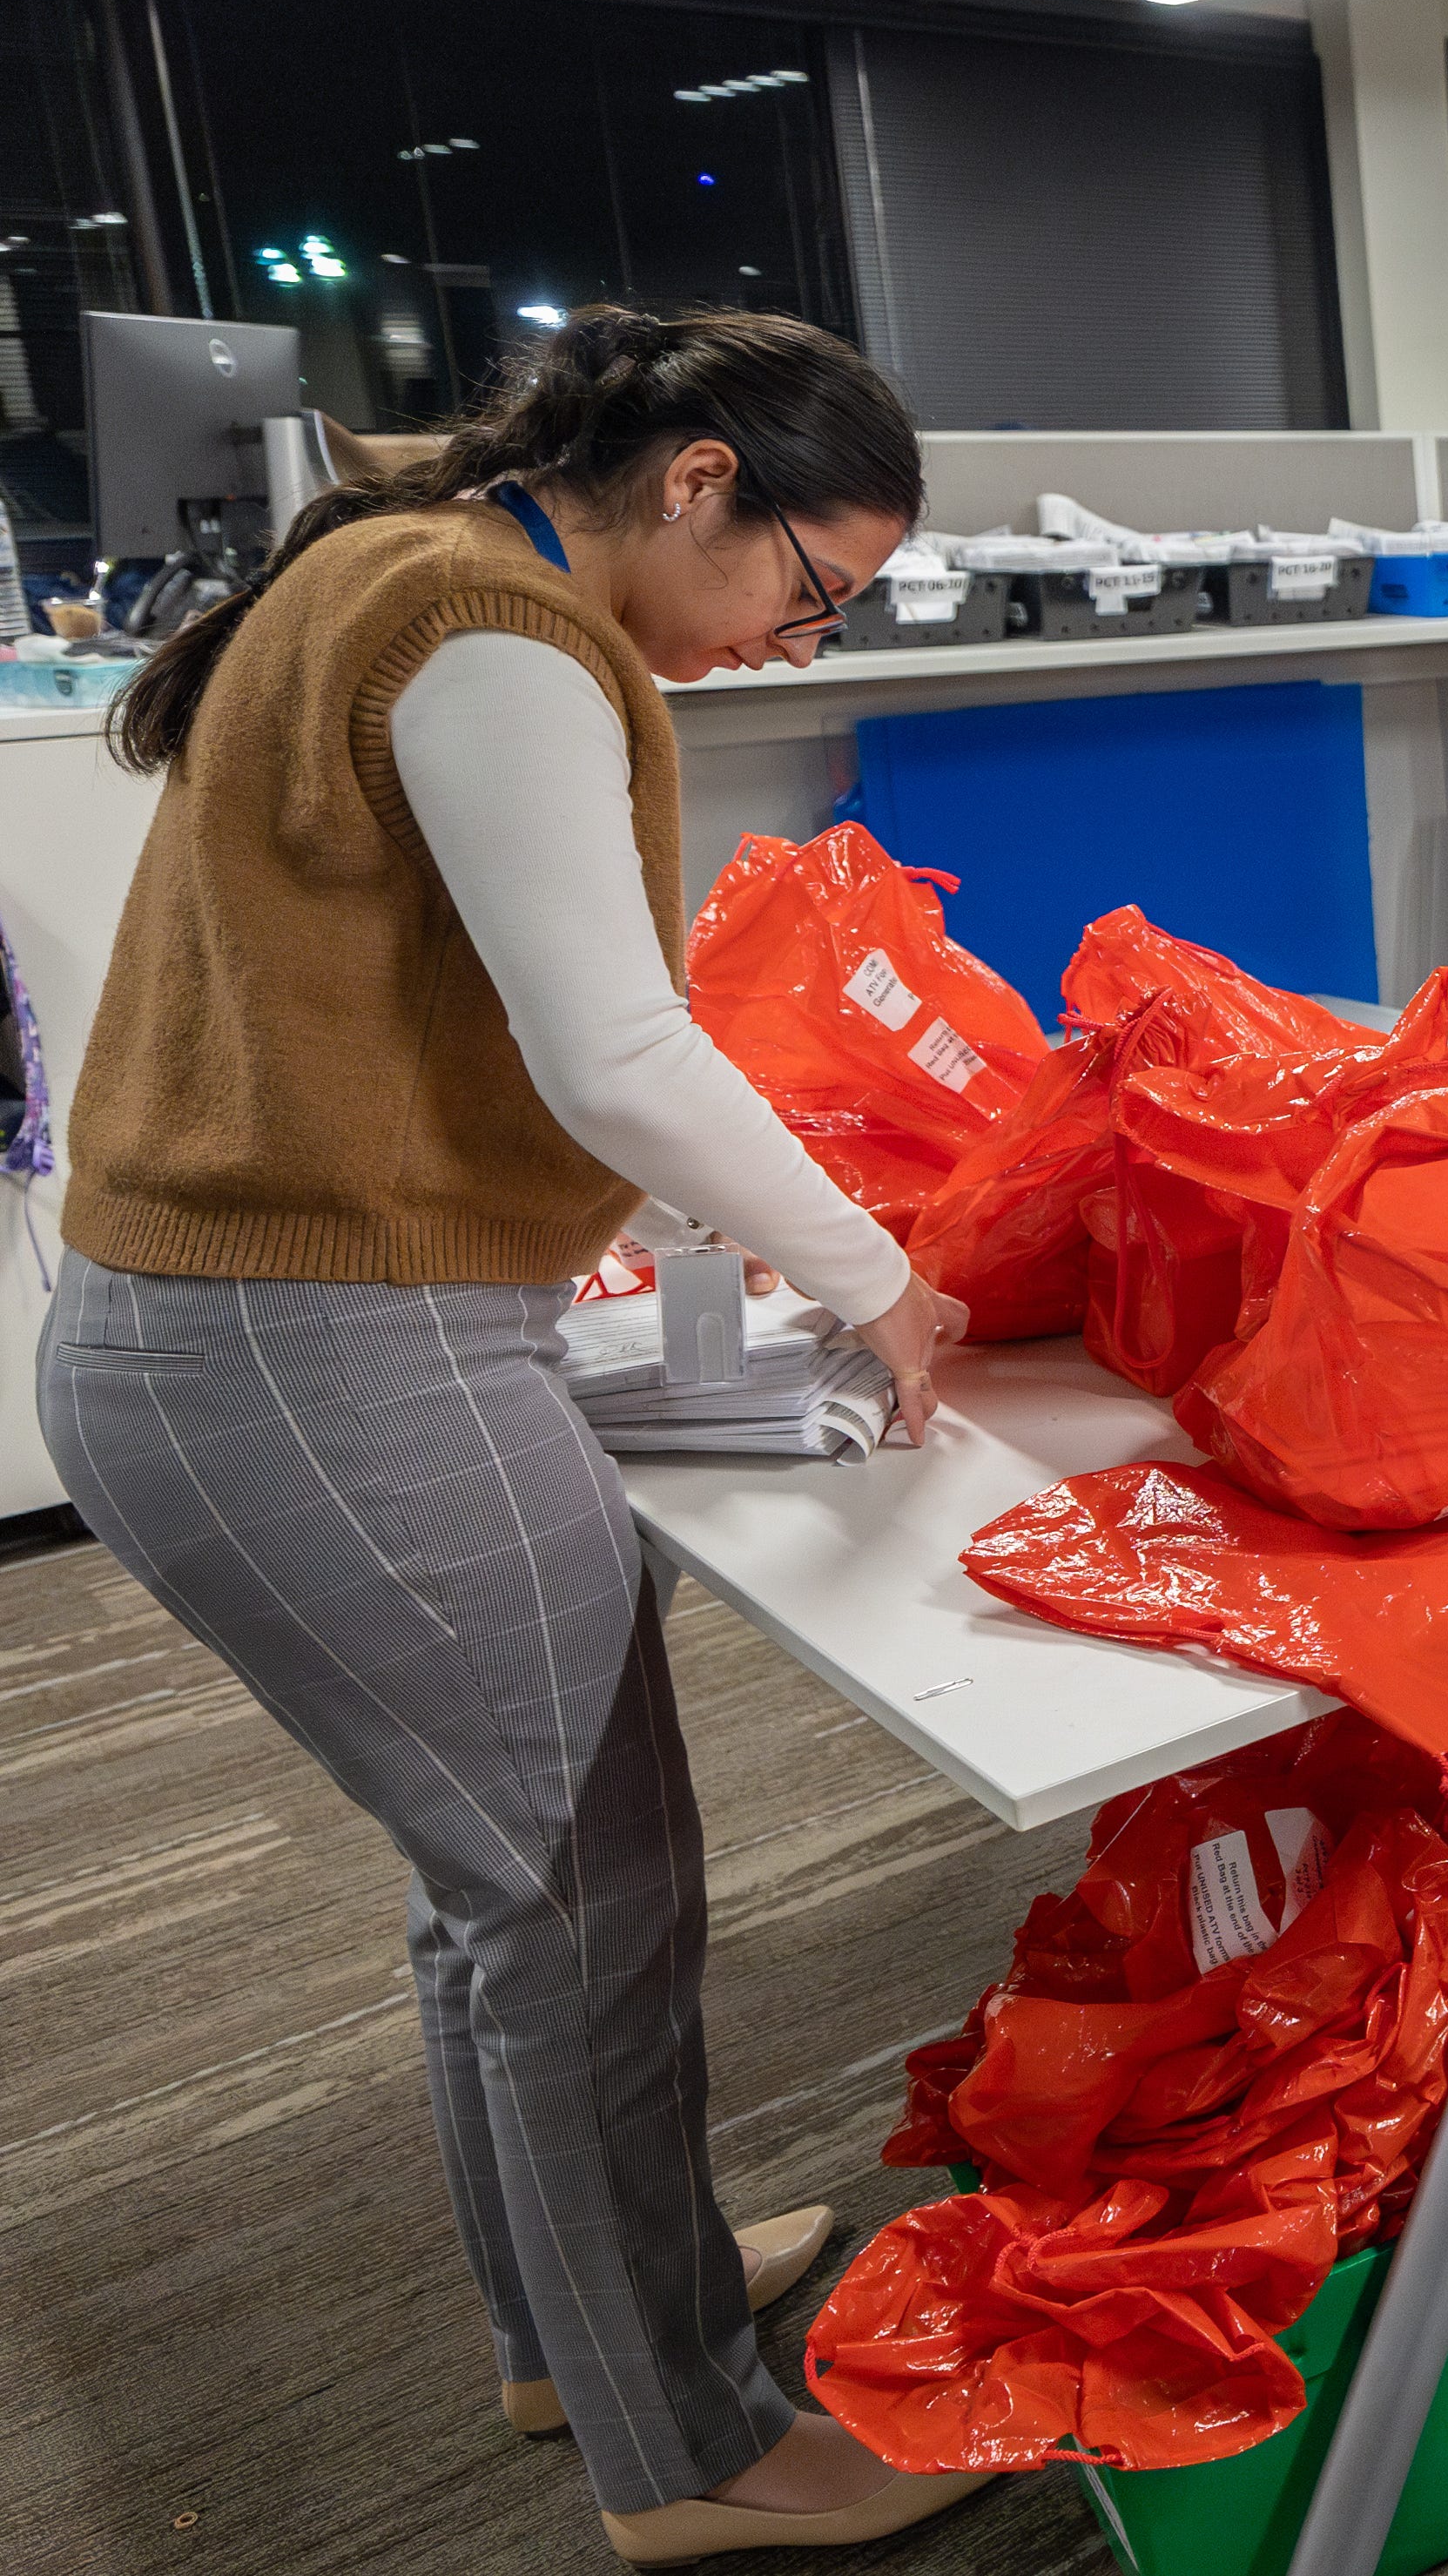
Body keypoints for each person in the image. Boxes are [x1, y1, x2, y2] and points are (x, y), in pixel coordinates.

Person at [44, 309, 987, 2564]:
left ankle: (580, 2322)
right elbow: (616, 1046)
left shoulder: (410, 568)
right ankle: (691, 2448)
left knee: (510, 1891)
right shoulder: (487, 624)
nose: (792, 636)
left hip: (254, 1329)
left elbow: (452, 1004)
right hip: (315, 1348)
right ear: (692, 482)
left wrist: (674, 1221)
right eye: (805, 582)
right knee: (583, 1895)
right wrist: (877, 1273)